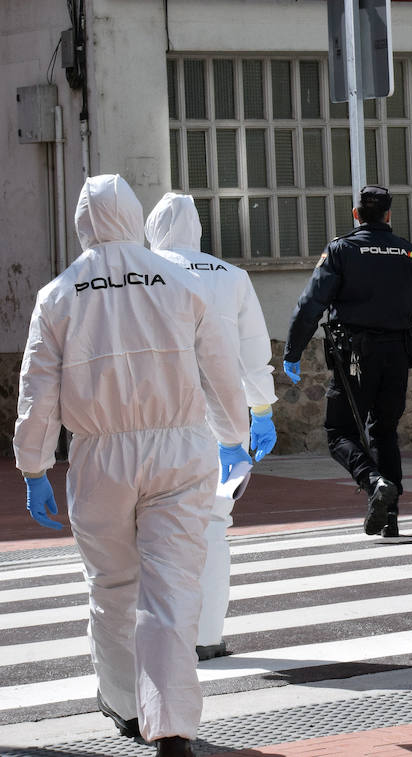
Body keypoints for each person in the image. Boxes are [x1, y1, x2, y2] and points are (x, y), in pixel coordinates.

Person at [14, 174, 250, 757]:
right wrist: (234, 435)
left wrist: (34, 467)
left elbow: (37, 393)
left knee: (114, 588)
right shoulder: (178, 280)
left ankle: (123, 706)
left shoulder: (60, 294)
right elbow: (219, 369)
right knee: (171, 591)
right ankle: (171, 725)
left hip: (100, 457)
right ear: (134, 216)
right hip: (180, 449)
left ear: (82, 222)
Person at [145, 192, 278, 661]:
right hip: (223, 419)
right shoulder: (233, 276)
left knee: (155, 527)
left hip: (157, 420)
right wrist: (261, 409)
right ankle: (207, 636)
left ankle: (163, 633)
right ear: (198, 229)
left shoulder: (140, 272)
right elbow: (252, 349)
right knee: (214, 527)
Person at [284, 185, 412, 538]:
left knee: (339, 432)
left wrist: (293, 351)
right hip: (397, 355)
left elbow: (310, 305)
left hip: (354, 358)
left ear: (356, 215)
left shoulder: (342, 250)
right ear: (389, 215)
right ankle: (390, 515)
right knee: (384, 431)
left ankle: (373, 481)